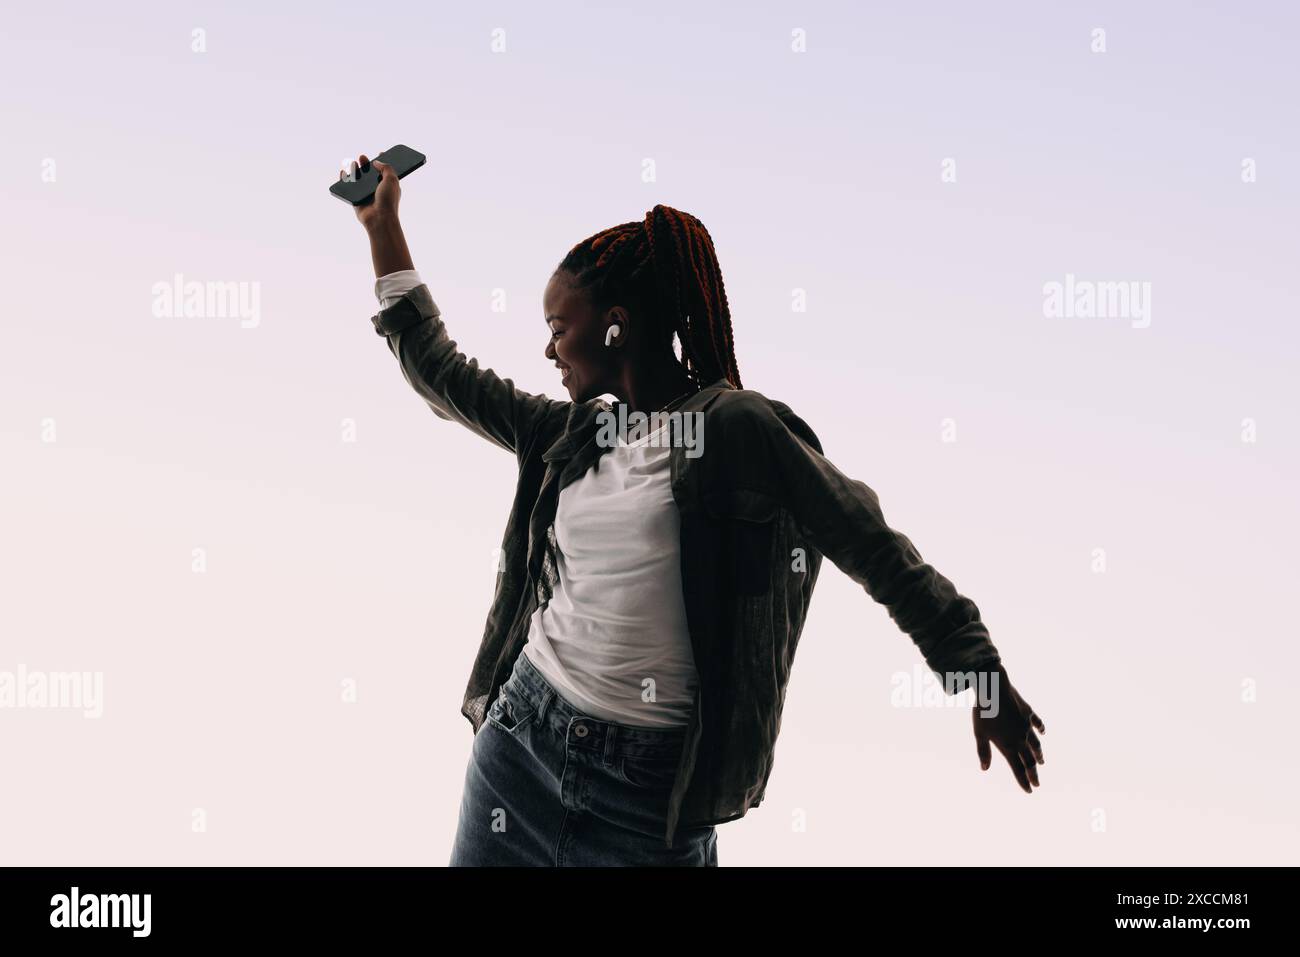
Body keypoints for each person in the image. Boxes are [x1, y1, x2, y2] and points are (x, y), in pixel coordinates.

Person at [343, 154, 1047, 867]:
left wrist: (978, 673)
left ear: (615, 327)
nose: (549, 348)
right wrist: (383, 225)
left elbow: (875, 547)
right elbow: (439, 371)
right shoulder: (566, 435)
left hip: (650, 800)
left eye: (559, 326)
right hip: (519, 752)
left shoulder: (737, 430)